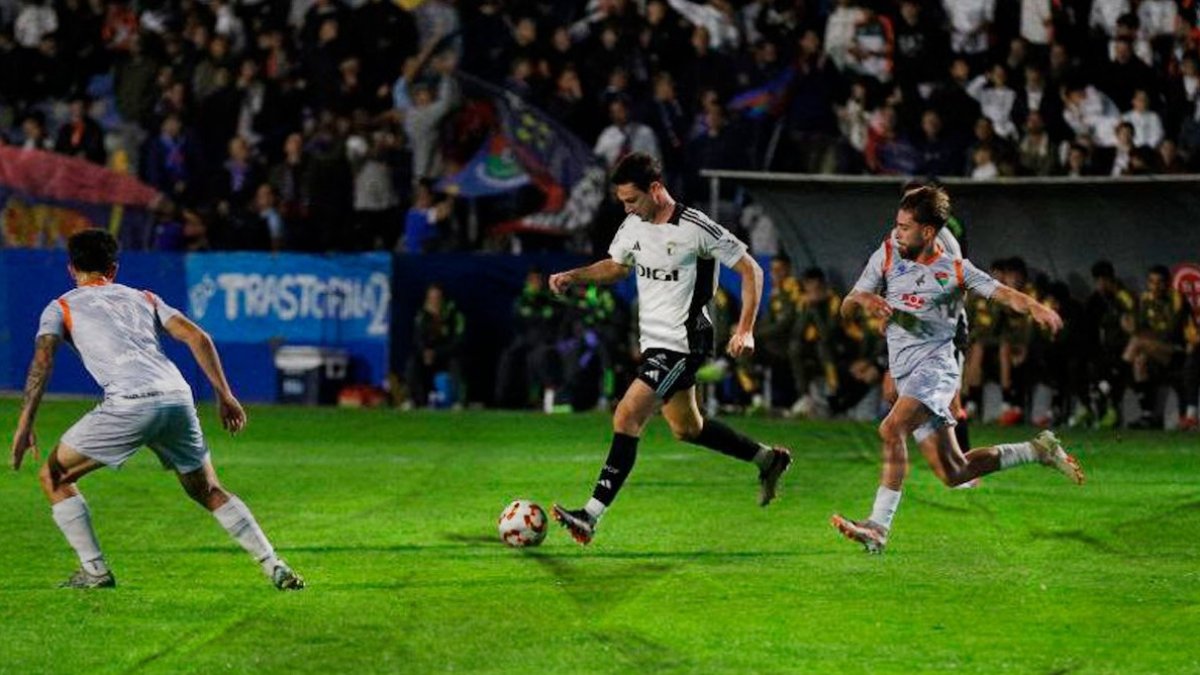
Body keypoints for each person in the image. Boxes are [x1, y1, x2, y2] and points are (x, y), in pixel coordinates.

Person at [10, 230, 303, 590]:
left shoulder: (62, 306)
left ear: (72, 269)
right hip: (177, 396)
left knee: (53, 477)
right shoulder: (145, 297)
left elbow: (43, 359)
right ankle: (274, 564)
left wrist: (25, 423)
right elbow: (198, 337)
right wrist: (225, 395)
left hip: (130, 403)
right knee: (208, 489)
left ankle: (95, 571)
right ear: (113, 269)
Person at [547, 153, 792, 545]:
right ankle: (768, 459)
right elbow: (616, 266)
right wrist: (573, 277)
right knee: (687, 428)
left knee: (627, 416)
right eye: (623, 202)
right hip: (654, 342)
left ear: (656, 190)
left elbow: (751, 269)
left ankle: (590, 516)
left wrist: (745, 329)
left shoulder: (697, 227)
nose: (628, 209)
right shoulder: (634, 225)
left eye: (633, 200)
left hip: (684, 342)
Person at [831, 186, 1084, 554]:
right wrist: (865, 299)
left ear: (929, 232)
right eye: (897, 225)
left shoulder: (954, 270)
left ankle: (878, 527)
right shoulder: (887, 254)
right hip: (906, 373)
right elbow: (846, 307)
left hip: (935, 371)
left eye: (905, 227)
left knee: (891, 428)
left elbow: (1004, 294)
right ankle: (1038, 450)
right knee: (955, 472)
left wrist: (1037, 309)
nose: (897, 232)